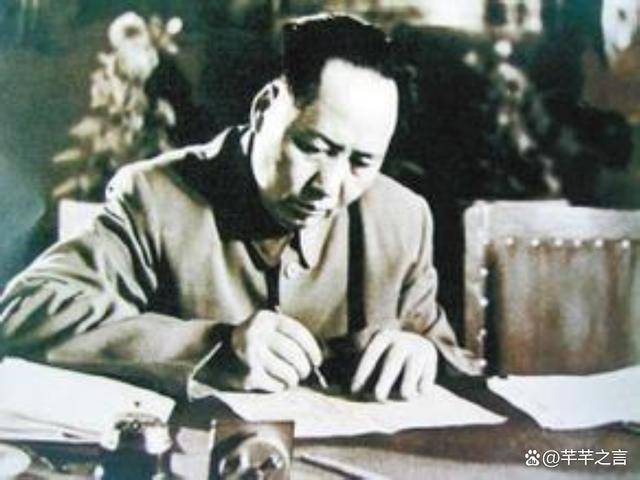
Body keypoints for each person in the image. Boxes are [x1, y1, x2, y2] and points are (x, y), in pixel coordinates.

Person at [0, 14, 483, 400]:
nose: (329, 186)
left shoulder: (403, 218)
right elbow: (23, 315)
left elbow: (448, 356)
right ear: (264, 107)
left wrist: (423, 354)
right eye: (315, 148)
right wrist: (213, 346)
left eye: (362, 162)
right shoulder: (156, 196)